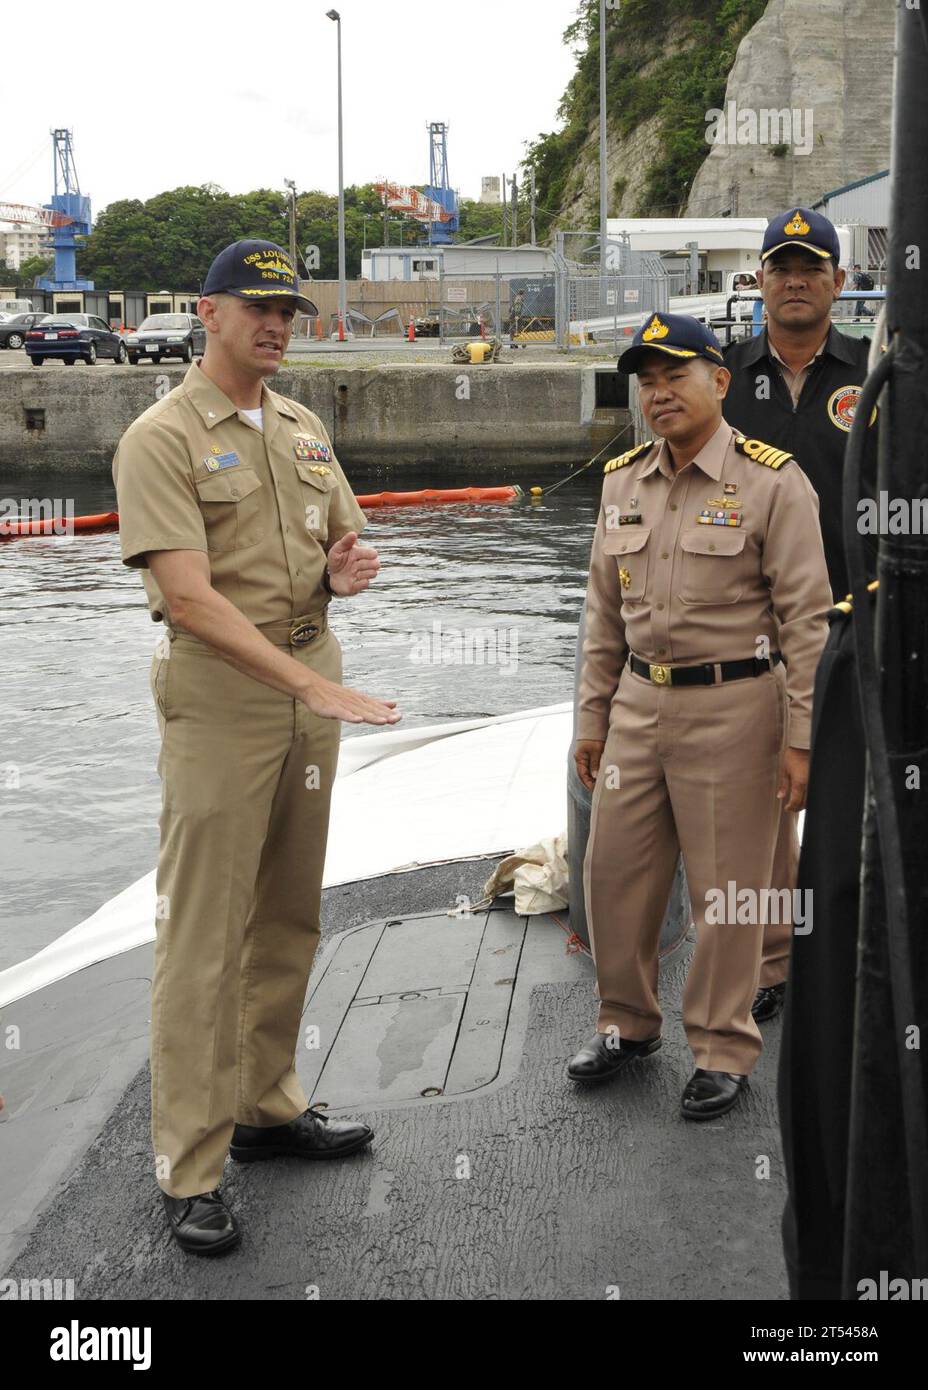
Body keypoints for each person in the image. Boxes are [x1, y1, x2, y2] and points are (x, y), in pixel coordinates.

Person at [112, 239, 401, 1255]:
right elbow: (188, 598)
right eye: (257, 306)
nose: (277, 323)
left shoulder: (301, 426)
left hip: (305, 686)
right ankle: (189, 1164)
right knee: (201, 938)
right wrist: (318, 682)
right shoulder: (160, 438)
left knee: (286, 912)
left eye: (288, 309)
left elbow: (339, 548)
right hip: (225, 695)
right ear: (209, 313)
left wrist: (347, 569)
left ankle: (267, 1107)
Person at [567, 311, 832, 1120]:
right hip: (640, 705)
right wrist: (591, 718)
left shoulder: (771, 481)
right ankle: (627, 1023)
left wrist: (801, 741)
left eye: (674, 375)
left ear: (719, 380)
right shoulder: (622, 484)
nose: (658, 393)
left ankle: (721, 1044)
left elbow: (806, 622)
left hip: (736, 706)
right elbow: (602, 617)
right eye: (646, 380)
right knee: (612, 876)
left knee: (729, 893)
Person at [722, 208, 879, 1023]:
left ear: (838, 283)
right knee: (759, 810)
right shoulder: (720, 376)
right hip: (746, 632)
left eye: (811, 267)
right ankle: (772, 963)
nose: (794, 280)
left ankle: (849, 950)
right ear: (758, 280)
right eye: (780, 267)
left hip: (853, 625)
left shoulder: (876, 374)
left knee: (849, 789)